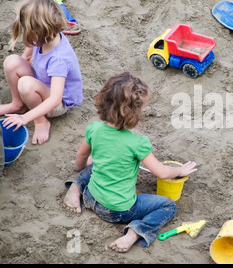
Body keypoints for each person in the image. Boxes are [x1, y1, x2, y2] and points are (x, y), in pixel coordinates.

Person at [63, 72, 198, 253]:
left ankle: (76, 187)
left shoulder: (94, 128)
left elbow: (80, 157)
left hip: (90, 196)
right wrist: (179, 170)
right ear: (133, 114)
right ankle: (134, 233)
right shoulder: (138, 143)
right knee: (168, 206)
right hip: (117, 211)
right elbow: (162, 173)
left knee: (93, 163)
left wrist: (82, 171)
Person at [0, 0, 83, 145]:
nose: (28, 39)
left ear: (39, 33)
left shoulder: (59, 59)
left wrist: (25, 119)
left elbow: (55, 99)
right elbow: (32, 45)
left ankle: (41, 121)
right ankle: (17, 105)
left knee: (26, 84)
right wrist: (25, 57)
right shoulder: (47, 35)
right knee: (12, 61)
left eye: (29, 34)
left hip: (58, 104)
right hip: (42, 83)